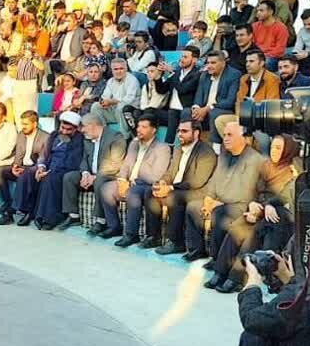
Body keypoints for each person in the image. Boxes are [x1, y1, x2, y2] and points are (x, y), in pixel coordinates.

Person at [206, 134, 300, 293]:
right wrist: (254, 204)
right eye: (272, 147)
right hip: (262, 210)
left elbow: (286, 196)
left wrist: (268, 206)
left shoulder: (293, 170)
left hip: (281, 216)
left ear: (288, 151)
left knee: (253, 232)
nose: (274, 152)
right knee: (239, 227)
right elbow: (254, 190)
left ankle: (236, 278)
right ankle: (220, 272)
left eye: (278, 148)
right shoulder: (266, 166)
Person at [184, 122, 265, 262]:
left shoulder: (254, 159)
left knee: (220, 213)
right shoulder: (224, 155)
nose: (225, 138)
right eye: (224, 135)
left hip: (241, 205)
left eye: (230, 135)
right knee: (192, 207)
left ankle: (216, 259)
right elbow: (214, 180)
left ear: (243, 138)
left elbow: (244, 193)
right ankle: (196, 249)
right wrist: (209, 198)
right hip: (221, 202)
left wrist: (218, 203)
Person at [95, 111, 171, 246]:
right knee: (106, 188)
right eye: (138, 126)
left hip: (146, 185)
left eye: (143, 127)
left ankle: (131, 234)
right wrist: (122, 180)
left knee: (133, 192)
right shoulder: (134, 144)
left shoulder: (162, 148)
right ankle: (114, 227)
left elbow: (157, 176)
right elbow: (125, 165)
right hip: (131, 182)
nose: (139, 130)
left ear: (153, 130)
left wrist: (136, 178)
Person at [151, 120, 218, 255]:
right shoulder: (178, 148)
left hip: (198, 191)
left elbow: (197, 181)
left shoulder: (206, 152)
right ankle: (153, 237)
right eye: (178, 131)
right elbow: (170, 172)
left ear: (196, 133)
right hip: (178, 188)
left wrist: (170, 188)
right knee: (150, 192)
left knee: (173, 197)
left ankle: (176, 242)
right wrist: (163, 182)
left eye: (184, 131)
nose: (179, 134)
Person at [0, 110, 48, 226]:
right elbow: (18, 155)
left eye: (26, 124)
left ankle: (13, 212)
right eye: (22, 124)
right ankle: (8, 202)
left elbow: (42, 160)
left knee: (25, 174)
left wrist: (26, 169)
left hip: (35, 168)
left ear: (35, 124)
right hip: (22, 167)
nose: (23, 127)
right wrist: (15, 167)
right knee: (0, 171)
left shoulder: (45, 137)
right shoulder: (21, 134)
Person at [192, 51, 241, 143]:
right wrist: (196, 108)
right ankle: (190, 146)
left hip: (222, 109)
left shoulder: (234, 74)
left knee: (214, 113)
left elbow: (230, 101)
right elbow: (199, 95)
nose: (209, 66)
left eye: (213, 63)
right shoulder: (205, 74)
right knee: (186, 112)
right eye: (208, 62)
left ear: (223, 63)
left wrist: (207, 108)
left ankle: (216, 147)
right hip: (204, 110)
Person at [91, 58, 140, 135]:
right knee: (95, 106)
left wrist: (112, 101)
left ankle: (126, 136)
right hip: (114, 110)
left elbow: (129, 100)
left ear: (126, 69)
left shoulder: (132, 80)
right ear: (112, 70)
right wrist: (104, 102)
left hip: (129, 111)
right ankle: (103, 134)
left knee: (121, 107)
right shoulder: (111, 81)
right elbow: (105, 96)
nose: (118, 71)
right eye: (116, 69)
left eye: (121, 68)